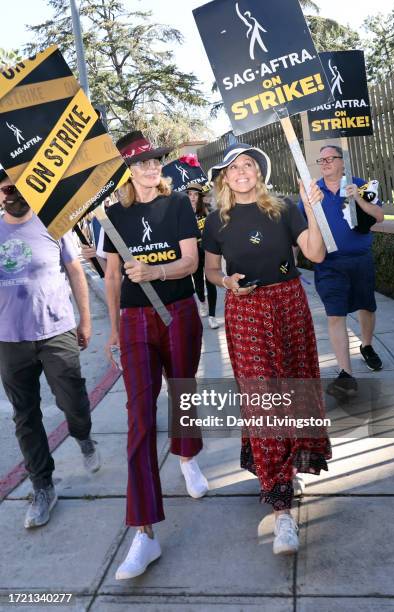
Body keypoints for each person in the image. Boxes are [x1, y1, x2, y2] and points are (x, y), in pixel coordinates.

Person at [202, 143, 332, 555]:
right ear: (224, 178)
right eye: (233, 168)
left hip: (289, 303)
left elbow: (315, 253)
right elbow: (209, 269)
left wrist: (312, 207)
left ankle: (282, 462)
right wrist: (226, 283)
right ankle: (281, 511)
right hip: (245, 310)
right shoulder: (215, 221)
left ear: (258, 172)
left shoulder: (285, 207)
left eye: (248, 165)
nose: (242, 172)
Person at [102, 131, 208, 580]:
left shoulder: (178, 204)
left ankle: (187, 455)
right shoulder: (111, 216)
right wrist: (113, 330)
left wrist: (155, 270)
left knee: (182, 389)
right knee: (139, 416)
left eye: (155, 161)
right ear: (127, 169)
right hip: (135, 319)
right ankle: (143, 532)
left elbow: (191, 262)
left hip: (180, 311)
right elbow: (110, 277)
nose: (150, 168)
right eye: (141, 163)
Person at [0, 168, 101, 529]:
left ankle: (83, 436)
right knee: (25, 415)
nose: (11, 193)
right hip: (10, 339)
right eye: (4, 188)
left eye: (17, 186)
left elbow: (75, 271)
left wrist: (85, 321)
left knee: (73, 400)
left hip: (57, 330)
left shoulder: (52, 223)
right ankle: (43, 487)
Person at [297, 145, 384, 398]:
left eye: (329, 158)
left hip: (360, 259)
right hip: (329, 263)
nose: (324, 163)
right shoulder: (313, 191)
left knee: (366, 306)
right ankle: (345, 372)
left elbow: (378, 216)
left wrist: (356, 196)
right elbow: (300, 229)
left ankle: (367, 346)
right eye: (321, 159)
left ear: (342, 162)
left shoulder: (362, 185)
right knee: (335, 315)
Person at [186, 182, 219, 329]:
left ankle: (212, 316)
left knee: (210, 281)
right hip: (194, 252)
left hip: (208, 249)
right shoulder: (183, 213)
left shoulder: (207, 211)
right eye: (190, 194)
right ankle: (202, 302)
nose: (192, 198)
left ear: (200, 197)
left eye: (195, 195)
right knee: (198, 283)